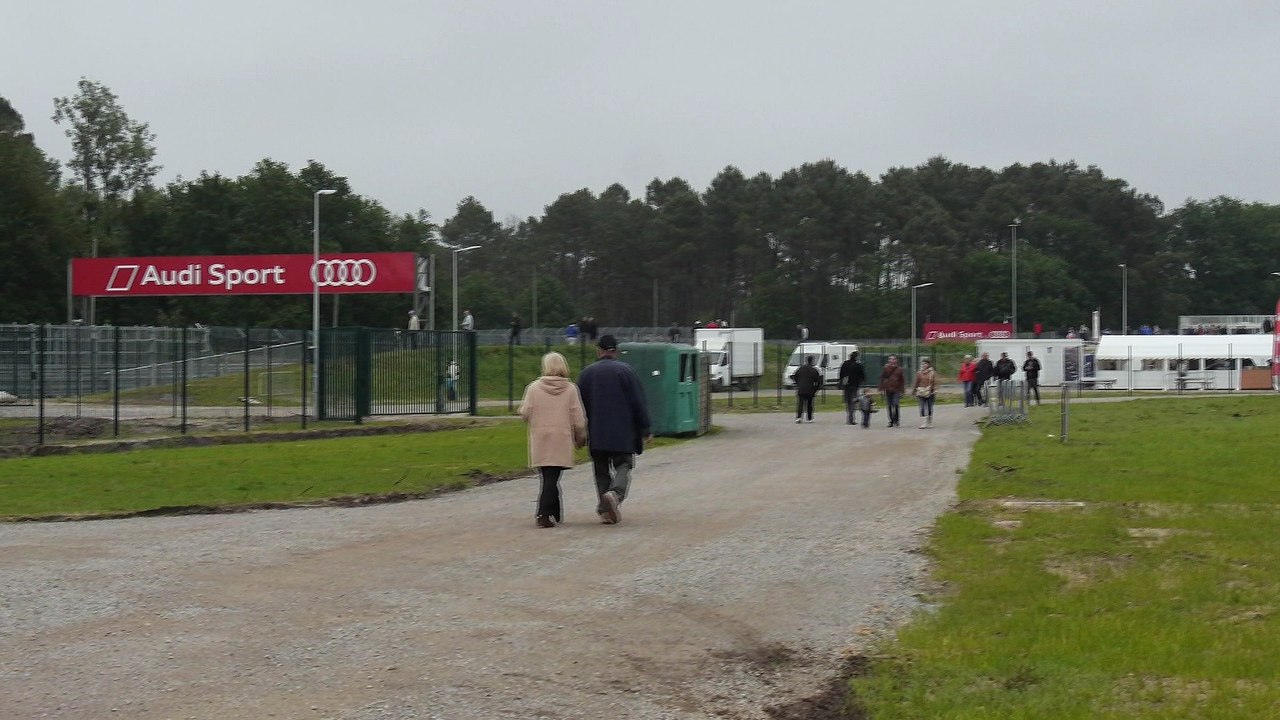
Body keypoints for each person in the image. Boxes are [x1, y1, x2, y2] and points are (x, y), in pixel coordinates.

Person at [577, 335, 651, 525]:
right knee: (624, 464)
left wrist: (579, 430)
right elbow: (638, 402)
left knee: (601, 470)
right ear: (615, 351)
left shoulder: (586, 374)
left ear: (598, 350)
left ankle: (605, 510)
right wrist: (645, 427)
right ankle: (615, 494)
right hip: (622, 432)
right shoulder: (627, 371)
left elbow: (579, 405)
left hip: (597, 431)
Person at [519, 352, 587, 528]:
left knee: (548, 476)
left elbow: (525, 413)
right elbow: (578, 420)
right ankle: (543, 513)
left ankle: (554, 510)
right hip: (561, 438)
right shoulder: (571, 389)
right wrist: (580, 438)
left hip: (540, 437)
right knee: (552, 476)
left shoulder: (533, 388)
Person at [790, 355, 822, 423]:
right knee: (809, 404)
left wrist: (799, 383)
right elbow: (819, 381)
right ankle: (809, 418)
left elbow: (794, 376)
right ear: (812, 361)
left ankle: (799, 417)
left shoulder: (801, 369)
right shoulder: (814, 370)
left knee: (800, 404)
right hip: (810, 389)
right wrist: (815, 389)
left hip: (801, 388)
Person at [837, 351, 866, 425]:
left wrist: (841, 382)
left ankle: (849, 416)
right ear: (856, 357)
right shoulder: (858, 365)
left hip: (846, 385)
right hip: (855, 385)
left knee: (848, 401)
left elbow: (840, 374)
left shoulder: (845, 364)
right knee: (853, 400)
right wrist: (862, 381)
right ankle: (851, 417)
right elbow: (862, 375)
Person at [877, 355, 905, 427]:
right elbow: (882, 378)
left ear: (896, 360)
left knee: (895, 404)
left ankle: (896, 420)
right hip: (888, 389)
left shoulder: (899, 369)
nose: (891, 360)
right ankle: (891, 421)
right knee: (889, 405)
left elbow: (902, 380)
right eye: (890, 359)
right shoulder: (886, 368)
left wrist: (902, 390)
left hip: (896, 389)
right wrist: (881, 388)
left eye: (893, 359)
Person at [912, 358, 939, 429]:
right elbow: (916, 382)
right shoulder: (919, 373)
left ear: (928, 364)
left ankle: (929, 422)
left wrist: (935, 389)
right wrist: (914, 391)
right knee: (922, 407)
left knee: (930, 407)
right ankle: (923, 423)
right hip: (921, 392)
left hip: (930, 392)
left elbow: (935, 382)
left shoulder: (932, 373)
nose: (923, 365)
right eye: (922, 364)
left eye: (925, 364)